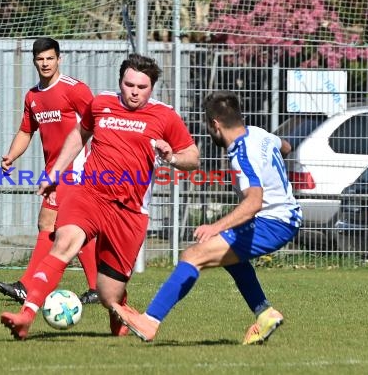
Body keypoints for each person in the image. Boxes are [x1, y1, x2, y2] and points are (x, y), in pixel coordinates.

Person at [0, 53, 200, 340]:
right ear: (120, 82)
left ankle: (119, 311)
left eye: (141, 87)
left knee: (108, 294)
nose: (134, 91)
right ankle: (26, 316)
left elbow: (193, 157)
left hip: (130, 212)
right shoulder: (102, 103)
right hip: (90, 193)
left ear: (151, 87)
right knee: (64, 244)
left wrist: (173, 157)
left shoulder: (165, 115)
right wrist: (56, 171)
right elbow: (80, 133)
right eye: (129, 84)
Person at [112, 90, 303, 344]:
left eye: (207, 125)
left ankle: (150, 321)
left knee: (194, 255)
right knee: (231, 258)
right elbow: (286, 147)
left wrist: (215, 226)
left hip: (274, 222)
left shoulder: (241, 154)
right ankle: (265, 313)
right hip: (284, 216)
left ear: (214, 124)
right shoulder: (259, 134)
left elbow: (254, 201)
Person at [0, 37, 100, 305]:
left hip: (76, 170)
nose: (45, 63)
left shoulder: (74, 90)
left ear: (59, 59)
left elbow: (98, 122)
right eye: (40, 59)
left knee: (47, 222)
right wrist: (11, 155)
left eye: (50, 58)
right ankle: (98, 287)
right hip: (54, 171)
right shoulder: (33, 97)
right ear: (34, 61)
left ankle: (27, 286)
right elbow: (26, 130)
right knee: (76, 228)